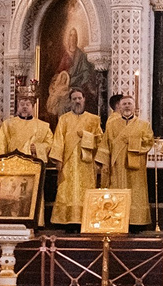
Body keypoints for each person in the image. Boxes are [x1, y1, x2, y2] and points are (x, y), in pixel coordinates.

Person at [48, 89, 105, 227]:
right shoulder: (64, 119)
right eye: (74, 99)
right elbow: (58, 140)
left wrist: (86, 136)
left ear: (84, 99)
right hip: (68, 162)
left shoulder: (93, 119)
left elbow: (100, 140)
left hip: (86, 162)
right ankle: (66, 221)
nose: (77, 101)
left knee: (85, 189)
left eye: (79, 98)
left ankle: (86, 219)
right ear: (70, 101)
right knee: (67, 190)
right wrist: (58, 160)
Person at [100, 94, 156, 229]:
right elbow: (105, 145)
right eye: (124, 104)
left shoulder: (144, 125)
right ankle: (117, 220)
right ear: (119, 107)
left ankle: (137, 223)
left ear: (134, 106)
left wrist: (132, 143)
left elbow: (149, 142)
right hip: (117, 166)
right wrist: (104, 164)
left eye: (129, 104)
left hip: (135, 167)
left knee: (136, 193)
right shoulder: (112, 125)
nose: (126, 106)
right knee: (118, 190)